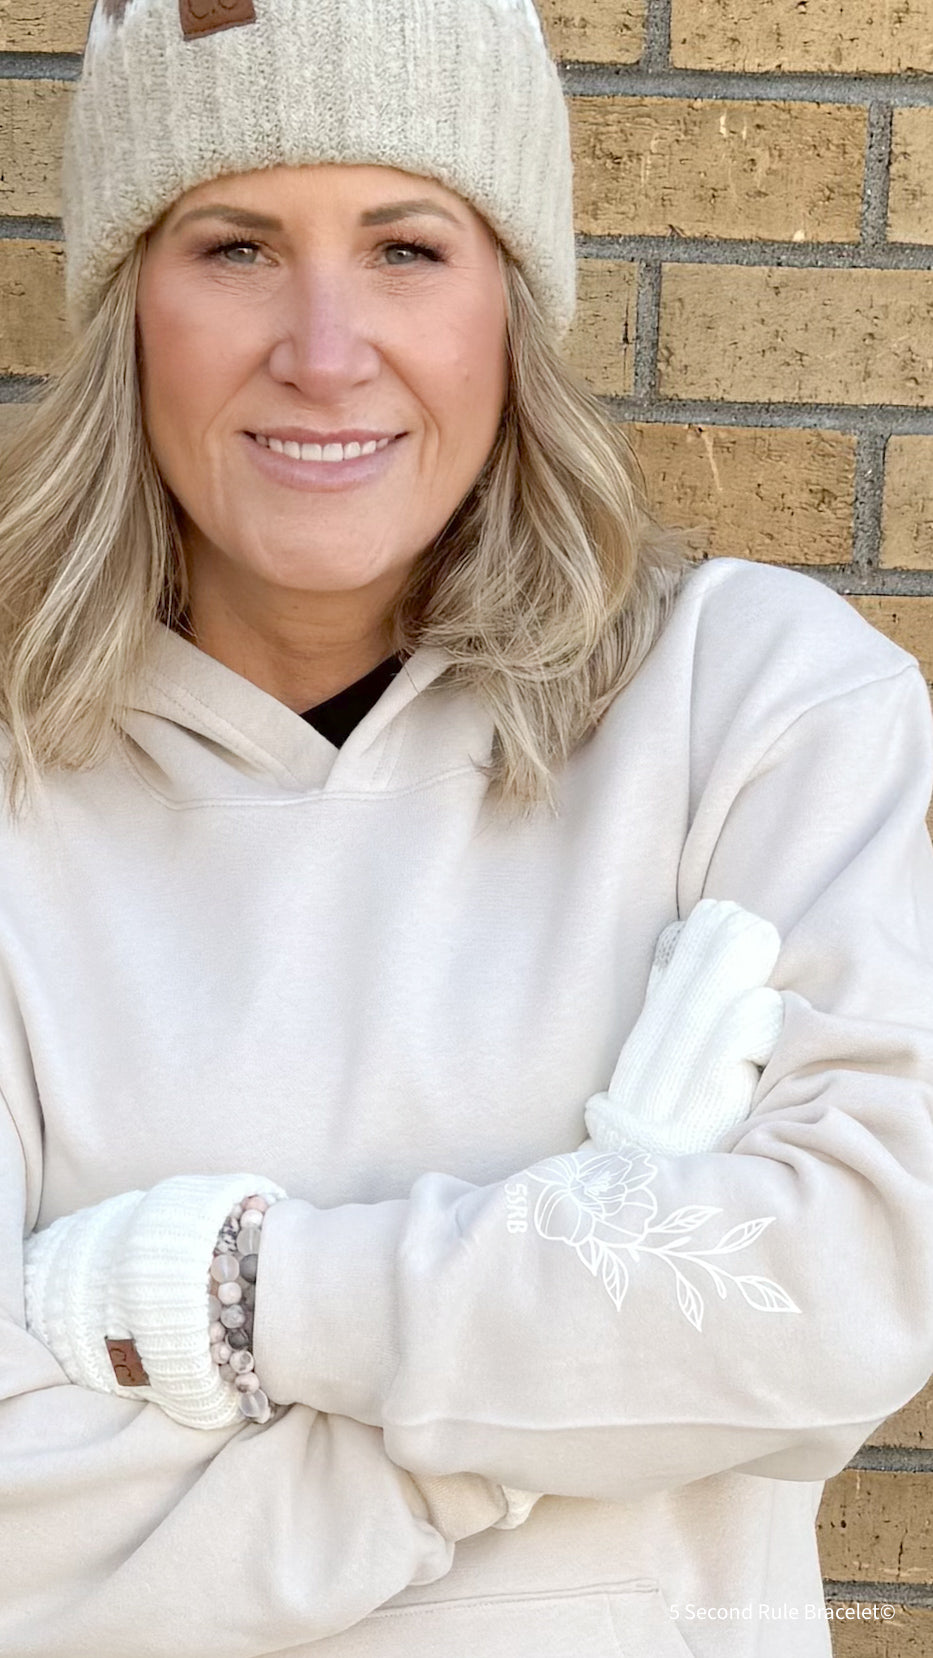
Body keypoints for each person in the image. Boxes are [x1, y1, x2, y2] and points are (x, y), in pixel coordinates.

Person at [1, 0, 932, 1654]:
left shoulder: (754, 706)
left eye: (407, 245)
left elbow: (852, 1282)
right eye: (233, 245)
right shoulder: (19, 775)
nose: (326, 346)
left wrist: (227, 1293)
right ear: (126, 303)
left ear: (512, 298)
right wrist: (541, 1396)